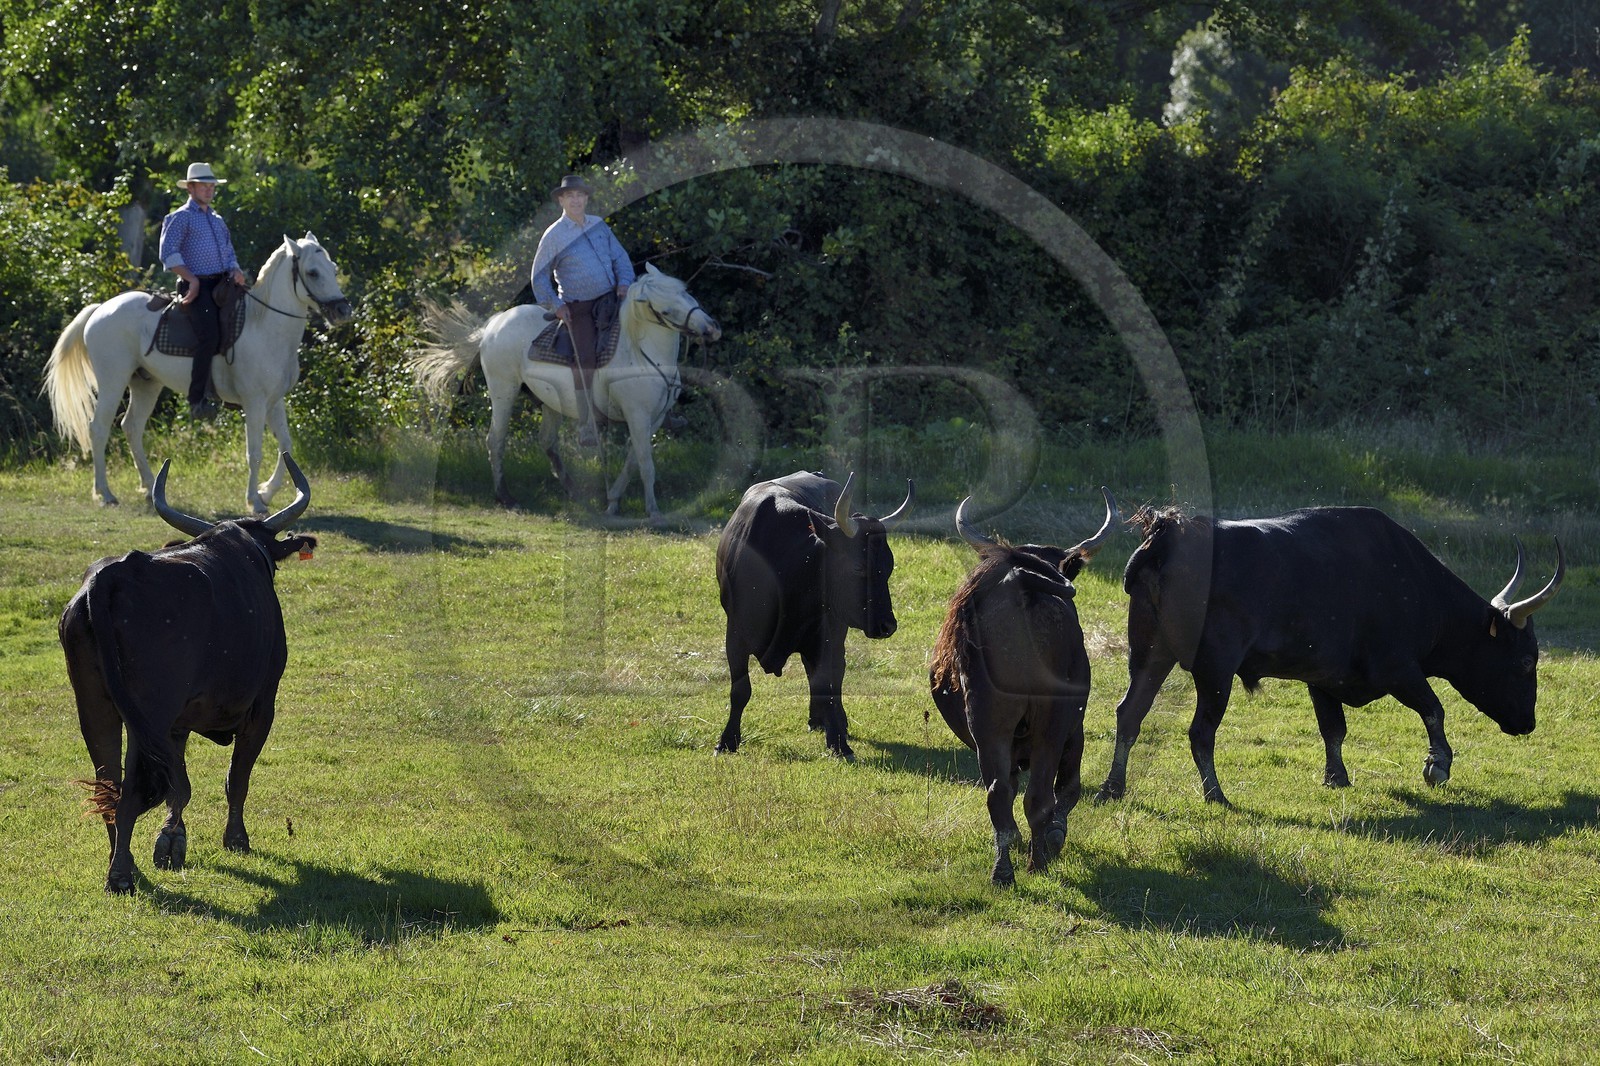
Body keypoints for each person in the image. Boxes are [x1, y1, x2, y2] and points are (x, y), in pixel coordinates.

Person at [529, 174, 634, 446]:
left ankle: (656, 407)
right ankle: (587, 426)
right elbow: (539, 277)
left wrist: (624, 282)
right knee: (585, 359)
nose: (576, 200)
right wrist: (557, 305)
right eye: (570, 196)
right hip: (580, 308)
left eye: (580, 195)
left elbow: (620, 257)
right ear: (562, 200)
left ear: (586, 198)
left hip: (612, 299)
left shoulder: (599, 225)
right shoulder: (553, 235)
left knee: (644, 335)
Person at [158, 162, 248, 420]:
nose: (209, 190)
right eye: (204, 186)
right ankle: (197, 399)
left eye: (212, 186)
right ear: (191, 188)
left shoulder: (217, 220)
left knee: (242, 326)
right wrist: (192, 280)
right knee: (209, 335)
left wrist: (236, 271)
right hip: (196, 286)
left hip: (223, 284)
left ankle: (232, 391)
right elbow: (169, 253)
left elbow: (229, 254)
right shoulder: (180, 217)